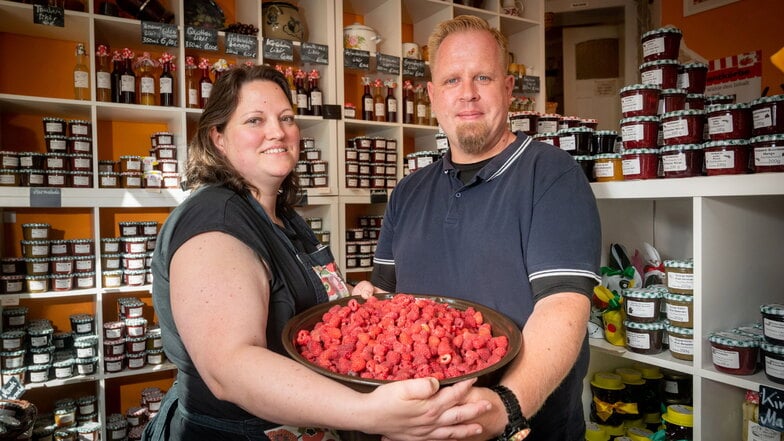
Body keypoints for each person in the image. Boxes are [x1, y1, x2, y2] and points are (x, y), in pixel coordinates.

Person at [143, 64, 494, 441]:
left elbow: (295, 313)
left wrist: (349, 308)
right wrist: (367, 412)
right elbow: (229, 367)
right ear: (218, 138)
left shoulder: (281, 216)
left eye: (286, 118)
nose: (277, 131)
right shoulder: (214, 218)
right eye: (254, 120)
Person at [363, 15, 602, 441]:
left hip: (526, 428)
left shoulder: (552, 175)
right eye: (452, 80)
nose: (468, 94)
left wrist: (507, 406)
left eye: (483, 77)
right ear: (433, 96)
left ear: (508, 89)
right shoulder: (407, 192)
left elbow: (563, 307)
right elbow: (387, 302)